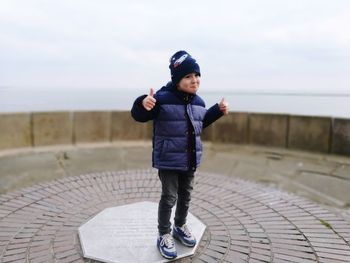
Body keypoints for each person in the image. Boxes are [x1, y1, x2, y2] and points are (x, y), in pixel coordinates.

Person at [131, 50, 229, 259]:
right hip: (168, 159)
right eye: (188, 76)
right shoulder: (162, 98)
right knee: (169, 197)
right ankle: (163, 234)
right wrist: (142, 103)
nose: (194, 80)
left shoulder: (198, 102)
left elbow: (200, 123)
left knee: (186, 196)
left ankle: (180, 226)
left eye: (197, 75)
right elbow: (140, 115)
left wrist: (217, 110)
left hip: (190, 158)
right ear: (177, 79)